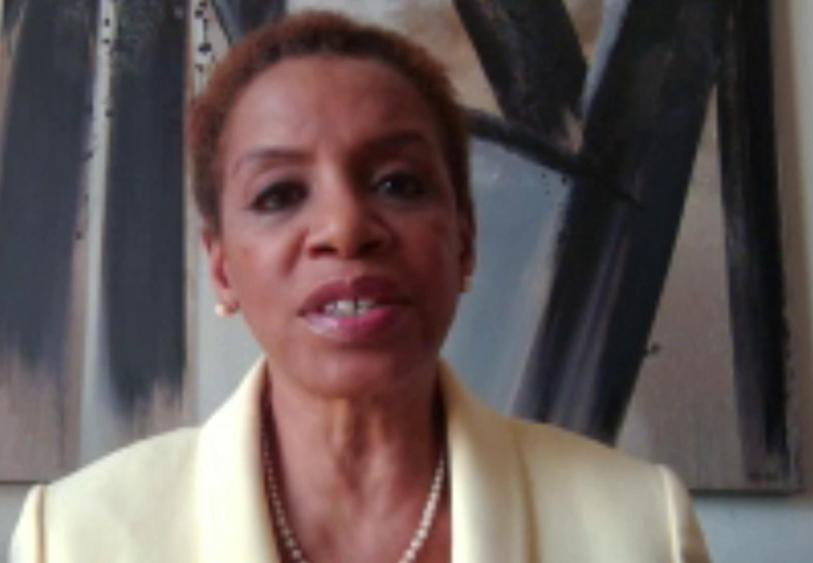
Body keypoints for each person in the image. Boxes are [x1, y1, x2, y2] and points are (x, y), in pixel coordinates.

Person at [9, 11, 710, 563]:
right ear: (221, 266)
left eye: (398, 183)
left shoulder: (639, 526)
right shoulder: (74, 538)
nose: (345, 228)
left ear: (464, 240)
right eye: (280, 194)